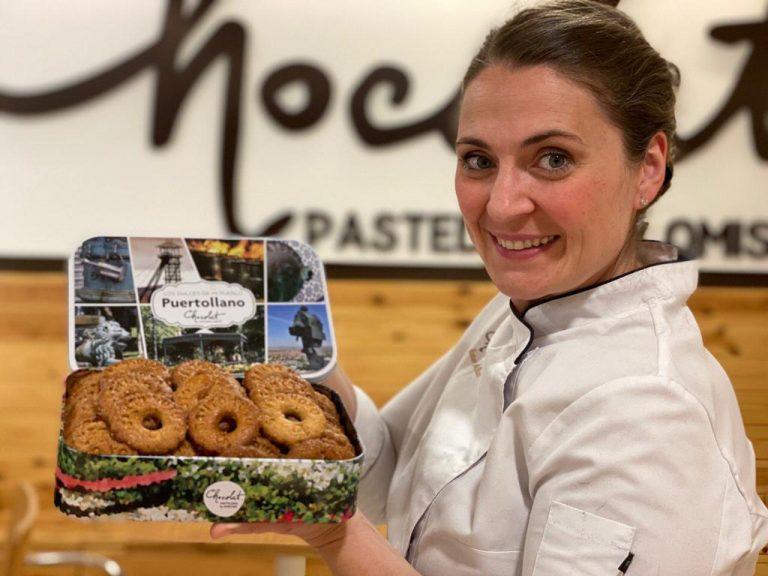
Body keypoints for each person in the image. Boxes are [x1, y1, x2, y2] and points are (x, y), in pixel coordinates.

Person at [211, 1, 768, 574]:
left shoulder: (646, 410)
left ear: (647, 169)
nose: (501, 205)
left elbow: (358, 512)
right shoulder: (524, 312)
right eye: (478, 159)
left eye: (553, 159)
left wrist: (333, 533)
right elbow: (388, 473)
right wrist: (303, 353)